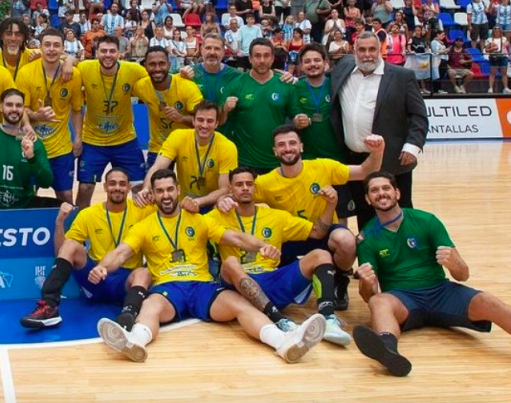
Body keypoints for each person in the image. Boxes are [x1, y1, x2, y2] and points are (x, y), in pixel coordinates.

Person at [92, 169, 326, 363]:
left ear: (178, 190)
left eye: (169, 189)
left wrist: (261, 246)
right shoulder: (144, 226)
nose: (165, 195)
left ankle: (283, 342)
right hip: (168, 287)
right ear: (153, 194)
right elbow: (121, 252)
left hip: (202, 285)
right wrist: (103, 266)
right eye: (160, 190)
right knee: (150, 306)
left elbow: (236, 238)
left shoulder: (199, 219)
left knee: (239, 304)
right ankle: (135, 342)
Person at [353, 171, 511, 377]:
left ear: (397, 193)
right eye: (374, 190)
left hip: (441, 292)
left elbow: (463, 275)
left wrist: (454, 264)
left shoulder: (426, 220)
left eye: (386, 188)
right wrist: (366, 282)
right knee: (378, 303)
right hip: (403, 299)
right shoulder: (367, 237)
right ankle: (387, 350)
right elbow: (369, 296)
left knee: (487, 300)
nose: (381, 193)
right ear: (367, 199)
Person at [210, 167, 351, 346]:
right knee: (229, 262)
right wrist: (217, 202)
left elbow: (317, 232)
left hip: (271, 279)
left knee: (320, 255)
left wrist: (331, 204)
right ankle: (279, 320)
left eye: (249, 184)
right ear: (230, 190)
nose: (245, 188)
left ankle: (328, 319)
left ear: (255, 188)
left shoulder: (276, 217)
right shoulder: (215, 216)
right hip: (238, 285)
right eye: (239, 184)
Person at [20, 169, 155, 329]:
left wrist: (154, 197)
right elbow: (60, 253)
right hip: (95, 278)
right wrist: (59, 223)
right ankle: (49, 306)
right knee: (71, 245)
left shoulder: (145, 210)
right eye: (112, 183)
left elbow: (172, 210)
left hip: (124, 282)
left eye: (122, 184)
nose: (117, 188)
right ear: (105, 187)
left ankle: (127, 317)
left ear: (128, 188)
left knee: (144, 273)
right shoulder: (88, 214)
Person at [331, 32, 428, 229]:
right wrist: (290, 77)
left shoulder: (402, 76)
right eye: (362, 50)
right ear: (354, 51)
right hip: (355, 160)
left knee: (400, 212)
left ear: (380, 50)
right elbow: (316, 77)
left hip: (392, 158)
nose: (367, 54)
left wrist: (412, 146)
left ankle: (408, 255)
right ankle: (370, 256)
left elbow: (418, 116)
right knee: (365, 213)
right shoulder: (343, 68)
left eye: (372, 49)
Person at [75, 35, 151, 207]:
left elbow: (157, 80)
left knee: (139, 187)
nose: (107, 55)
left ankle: (142, 228)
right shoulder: (85, 68)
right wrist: (68, 61)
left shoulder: (134, 70)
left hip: (124, 140)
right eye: (103, 51)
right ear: (96, 53)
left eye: (112, 51)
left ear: (119, 53)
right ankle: (79, 226)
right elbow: (68, 61)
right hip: (93, 141)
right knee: (85, 187)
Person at [16, 28, 83, 204]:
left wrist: (78, 139)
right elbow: (21, 108)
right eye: (47, 45)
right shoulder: (26, 72)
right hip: (32, 146)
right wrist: (31, 122)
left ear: (63, 49)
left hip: (61, 148)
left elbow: (76, 110)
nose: (51, 49)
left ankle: (67, 231)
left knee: (66, 197)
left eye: (56, 45)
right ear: (40, 47)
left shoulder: (74, 75)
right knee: (28, 197)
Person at [141, 100, 237, 212]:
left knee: (225, 201)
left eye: (209, 121)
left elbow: (224, 189)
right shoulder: (178, 136)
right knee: (148, 202)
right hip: (183, 203)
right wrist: (146, 188)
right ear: (193, 121)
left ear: (216, 124)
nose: (204, 125)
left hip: (212, 203)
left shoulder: (228, 147)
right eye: (200, 120)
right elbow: (157, 167)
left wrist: (197, 202)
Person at [220, 39, 297, 174]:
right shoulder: (236, 85)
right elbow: (220, 121)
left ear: (272, 58)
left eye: (266, 56)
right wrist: (225, 109)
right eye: (257, 56)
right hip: (245, 161)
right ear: (250, 58)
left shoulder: (285, 84)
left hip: (278, 160)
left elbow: (296, 119)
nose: (262, 60)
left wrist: (301, 119)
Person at [136, 47, 203, 167]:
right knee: (152, 183)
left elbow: (202, 121)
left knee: (192, 185)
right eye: (152, 64)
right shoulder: (141, 86)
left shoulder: (187, 86)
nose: (157, 68)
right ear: (145, 66)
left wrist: (181, 118)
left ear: (169, 64)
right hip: (159, 146)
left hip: (187, 145)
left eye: (162, 63)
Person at [290, 44, 345, 162]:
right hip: (308, 156)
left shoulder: (337, 85)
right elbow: (292, 116)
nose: (313, 64)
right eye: (307, 61)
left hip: (336, 155)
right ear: (301, 66)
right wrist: (297, 121)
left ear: (325, 62)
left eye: (317, 60)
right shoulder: (295, 88)